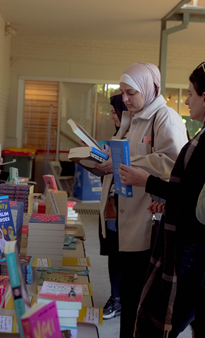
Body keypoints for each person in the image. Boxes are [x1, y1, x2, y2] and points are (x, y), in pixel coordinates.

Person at [96, 62, 188, 338]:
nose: (125, 99)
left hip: (148, 220)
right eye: (122, 92)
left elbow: (175, 164)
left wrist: (126, 162)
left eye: (130, 93)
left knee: (138, 297)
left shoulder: (165, 118)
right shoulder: (133, 118)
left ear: (149, 89)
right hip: (126, 216)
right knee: (129, 292)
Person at [118, 62, 205, 338]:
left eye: (191, 93)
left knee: (160, 319)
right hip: (172, 227)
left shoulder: (166, 119)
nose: (186, 99)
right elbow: (192, 189)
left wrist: (149, 182)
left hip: (191, 243)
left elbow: (192, 192)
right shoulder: (132, 120)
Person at [100, 93, 127, 319]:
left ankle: (119, 299)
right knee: (113, 253)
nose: (111, 116)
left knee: (120, 254)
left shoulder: (131, 136)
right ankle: (115, 296)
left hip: (124, 206)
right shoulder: (117, 135)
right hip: (111, 205)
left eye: (113, 111)